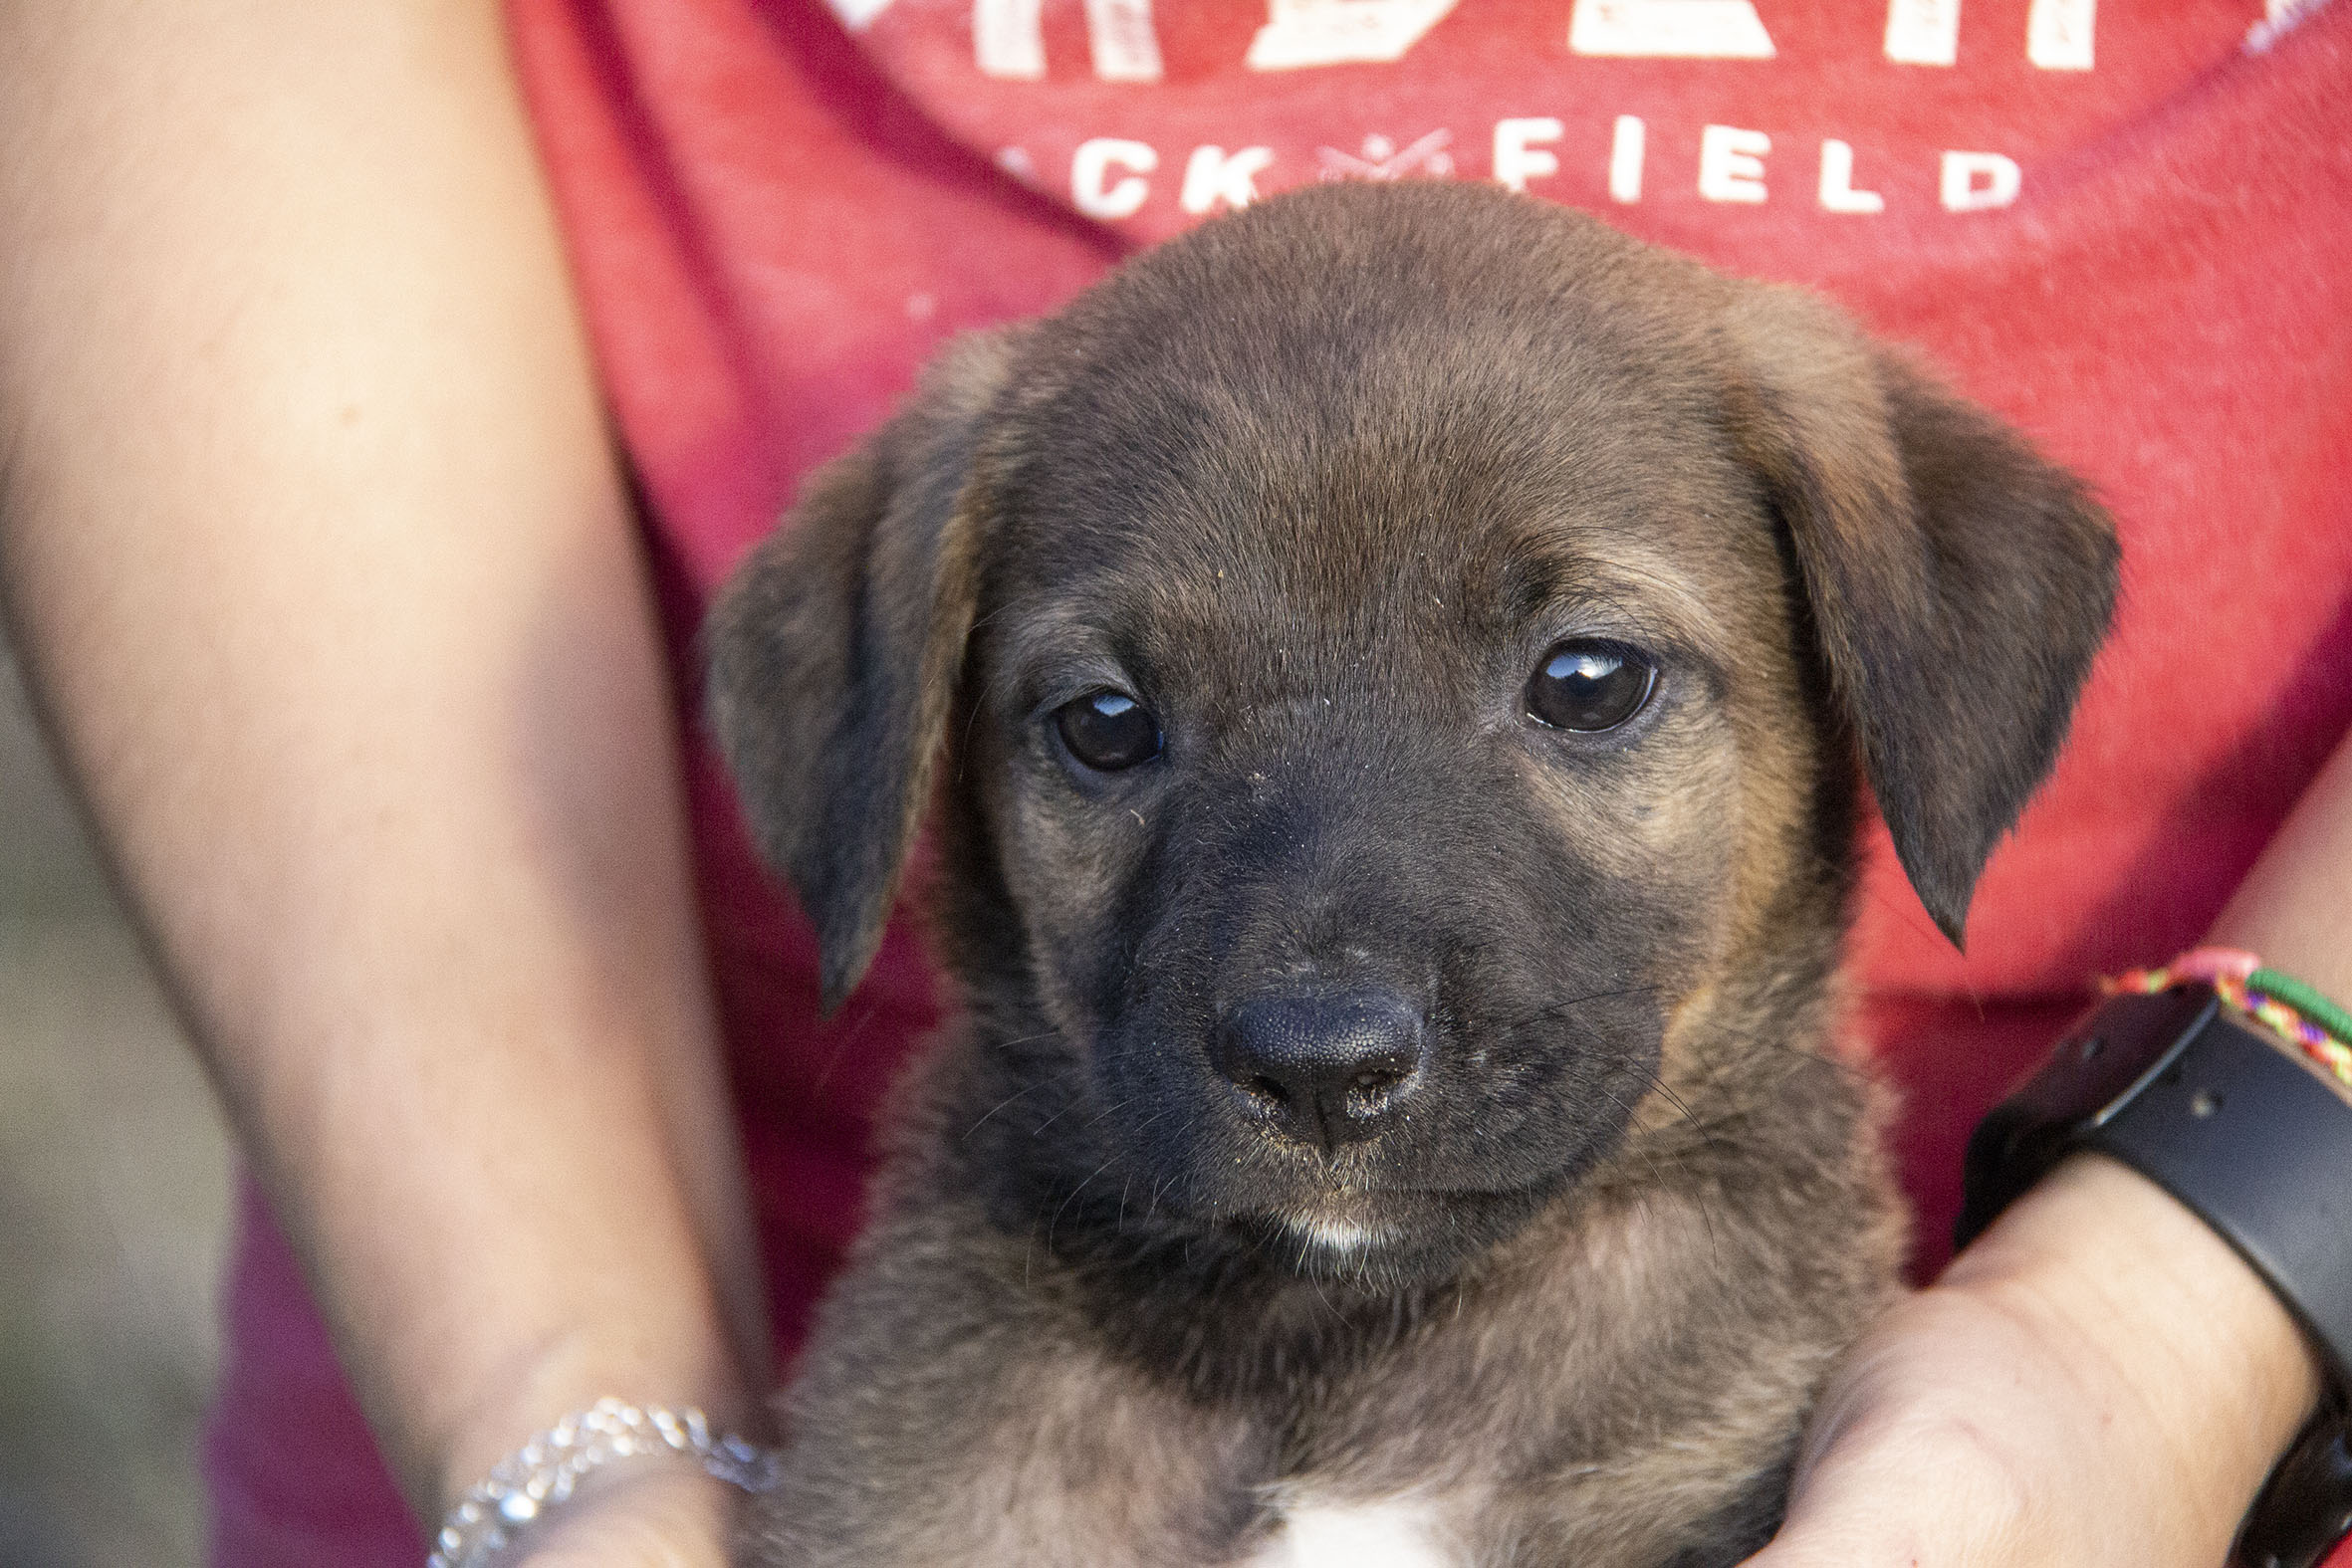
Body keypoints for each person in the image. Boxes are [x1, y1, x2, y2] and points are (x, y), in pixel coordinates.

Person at [1, 1, 2345, 1565]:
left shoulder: (1785, 1420)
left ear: (1882, 681)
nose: (1322, 1001)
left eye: (1584, 685)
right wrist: (587, 1451)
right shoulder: (938, 1440)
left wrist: (2146, 1344)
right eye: (1109, 728)